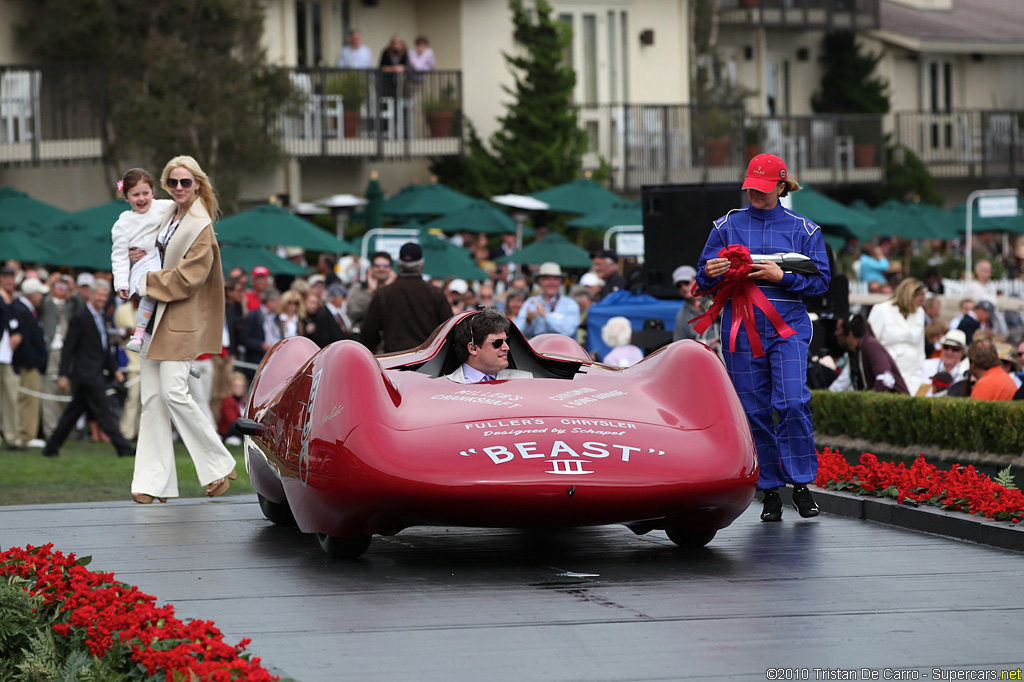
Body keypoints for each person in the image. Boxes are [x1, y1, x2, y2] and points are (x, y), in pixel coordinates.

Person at [693, 153, 830, 523]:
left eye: (764, 188)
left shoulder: (806, 230)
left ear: (783, 187)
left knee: (791, 401)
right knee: (753, 411)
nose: (755, 193)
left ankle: (801, 485)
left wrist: (781, 277)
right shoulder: (725, 226)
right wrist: (710, 271)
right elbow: (701, 279)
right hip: (739, 327)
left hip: (788, 329)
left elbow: (821, 283)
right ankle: (769, 491)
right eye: (751, 187)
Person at [128, 155, 238, 504]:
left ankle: (219, 464)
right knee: (152, 399)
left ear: (198, 185)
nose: (178, 188)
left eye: (185, 182)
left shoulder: (200, 226)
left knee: (174, 392)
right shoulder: (165, 216)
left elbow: (189, 279)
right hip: (156, 317)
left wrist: (143, 278)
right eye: (173, 182)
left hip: (180, 319)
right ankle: (152, 483)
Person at [41, 280, 135, 458]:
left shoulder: (101, 317)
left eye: (105, 296)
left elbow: (104, 347)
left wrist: (113, 369)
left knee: (72, 413)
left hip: (95, 372)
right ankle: (123, 447)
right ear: (91, 294)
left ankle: (51, 447)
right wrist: (63, 374)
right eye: (99, 294)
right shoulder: (80, 316)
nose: (102, 298)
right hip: (86, 374)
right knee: (103, 411)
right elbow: (68, 347)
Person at [360, 242, 452, 353]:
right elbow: (449, 330)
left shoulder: (384, 293)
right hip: (428, 362)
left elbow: (368, 333)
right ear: (422, 265)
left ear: (398, 265)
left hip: (394, 361)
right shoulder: (435, 293)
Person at [866, 277, 926, 396]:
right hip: (889, 371)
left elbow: (920, 346)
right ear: (909, 296)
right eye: (919, 298)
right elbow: (870, 343)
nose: (922, 303)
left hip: (913, 374)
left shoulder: (920, 312)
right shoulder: (882, 310)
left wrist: (921, 371)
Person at [445, 309, 532, 383]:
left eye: (507, 341)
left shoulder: (524, 380)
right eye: (497, 343)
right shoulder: (444, 387)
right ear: (473, 348)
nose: (506, 348)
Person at [12, 277, 49, 448]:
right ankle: (26, 434)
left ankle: (27, 432)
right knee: (28, 400)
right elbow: (24, 341)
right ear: (32, 294)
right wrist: (32, 362)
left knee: (28, 399)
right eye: (39, 293)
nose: (41, 297)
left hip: (31, 363)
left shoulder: (27, 310)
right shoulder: (21, 310)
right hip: (28, 364)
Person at [834, 314, 909, 394]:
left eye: (838, 329)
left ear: (850, 333)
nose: (836, 333)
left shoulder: (870, 345)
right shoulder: (855, 351)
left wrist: (870, 402)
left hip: (894, 403)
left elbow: (886, 378)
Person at [515, 262, 580, 339]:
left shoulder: (570, 304)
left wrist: (545, 314)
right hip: (535, 348)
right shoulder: (530, 302)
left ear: (560, 282)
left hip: (561, 348)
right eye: (547, 279)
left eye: (555, 279)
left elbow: (568, 331)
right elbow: (517, 331)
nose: (551, 283)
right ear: (540, 282)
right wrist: (528, 321)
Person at [346, 251, 395, 334]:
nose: (381, 269)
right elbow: (354, 313)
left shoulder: (397, 288)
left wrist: (387, 290)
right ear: (371, 268)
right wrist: (370, 293)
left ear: (391, 269)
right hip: (364, 337)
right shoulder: (359, 287)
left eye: (386, 266)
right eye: (377, 265)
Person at [240, 288, 282, 380]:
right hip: (257, 360)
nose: (279, 304)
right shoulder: (254, 316)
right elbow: (244, 339)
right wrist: (261, 345)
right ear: (269, 301)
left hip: (274, 359)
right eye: (277, 301)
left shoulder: (276, 317)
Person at [921, 329, 969, 396]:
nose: (949, 352)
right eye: (946, 347)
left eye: (955, 349)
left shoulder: (964, 375)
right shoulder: (926, 365)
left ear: (962, 353)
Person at [671, 265, 700, 342]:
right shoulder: (681, 316)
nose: (683, 288)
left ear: (696, 281)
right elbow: (679, 346)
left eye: (686, 282)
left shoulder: (715, 302)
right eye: (679, 286)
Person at [218, 372, 248, 445]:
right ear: (230, 387)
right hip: (230, 430)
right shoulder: (227, 401)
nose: (239, 389)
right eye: (236, 386)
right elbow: (232, 420)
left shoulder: (245, 400)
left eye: (241, 386)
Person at [378, 35, 408, 100]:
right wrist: (394, 69)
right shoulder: (386, 52)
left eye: (398, 43)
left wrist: (401, 69)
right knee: (388, 98)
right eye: (395, 43)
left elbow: (405, 66)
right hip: (387, 81)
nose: (396, 45)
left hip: (401, 81)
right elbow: (382, 67)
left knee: (400, 97)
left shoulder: (404, 53)